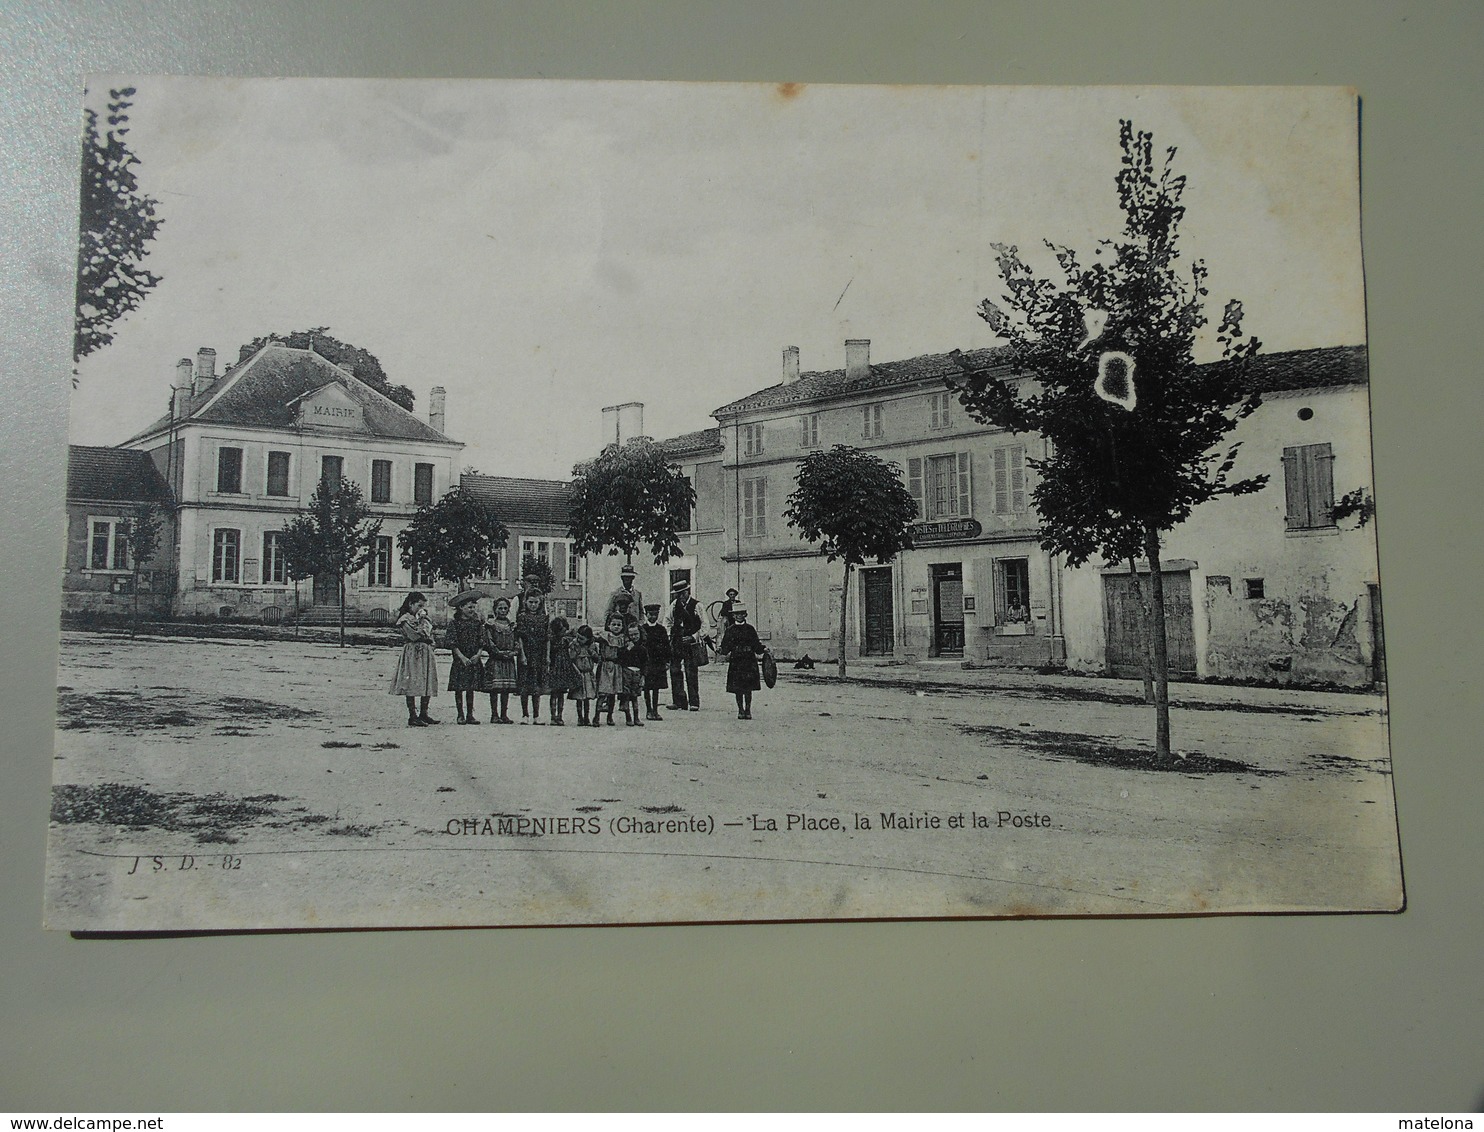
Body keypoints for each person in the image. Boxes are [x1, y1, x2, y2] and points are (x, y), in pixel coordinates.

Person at [388, 591, 439, 726]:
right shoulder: (405, 619)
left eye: (423, 607)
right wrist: (425, 633)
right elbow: (414, 636)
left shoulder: (424, 620)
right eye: (418, 606)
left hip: (425, 652)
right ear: (411, 604)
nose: (421, 609)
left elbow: (430, 634)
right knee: (411, 681)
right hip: (412, 652)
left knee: (426, 679)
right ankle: (412, 715)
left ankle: (424, 713)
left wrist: (430, 639)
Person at [719, 600, 764, 720]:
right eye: (737, 614)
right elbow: (725, 647)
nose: (739, 616)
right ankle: (740, 709)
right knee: (738, 687)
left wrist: (763, 649)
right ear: (733, 615)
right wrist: (721, 650)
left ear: (745, 614)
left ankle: (748, 710)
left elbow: (756, 645)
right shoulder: (730, 630)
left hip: (749, 659)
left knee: (748, 687)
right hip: (736, 660)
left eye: (742, 613)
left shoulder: (750, 629)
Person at [445, 591, 485, 724]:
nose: (472, 610)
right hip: (460, 660)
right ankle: (460, 714)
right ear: (461, 608)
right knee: (459, 687)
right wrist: (461, 657)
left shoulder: (477, 623)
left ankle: (469, 714)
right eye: (469, 607)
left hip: (473, 660)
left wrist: (478, 655)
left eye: (473, 607)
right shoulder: (454, 624)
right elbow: (452, 643)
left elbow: (482, 641)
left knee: (470, 688)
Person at [480, 597, 518, 723]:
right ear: (495, 609)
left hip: (508, 660)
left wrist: (513, 652)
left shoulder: (512, 626)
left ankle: (504, 714)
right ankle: (494, 714)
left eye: (505, 608)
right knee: (495, 688)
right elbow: (489, 642)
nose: (503, 611)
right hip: (496, 659)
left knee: (506, 688)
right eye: (500, 608)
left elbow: (517, 641)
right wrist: (498, 652)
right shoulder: (490, 625)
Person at [668, 579, 703, 711]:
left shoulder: (697, 605)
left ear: (688, 591)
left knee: (691, 671)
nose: (681, 596)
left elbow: (704, 625)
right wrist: (670, 636)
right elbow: (667, 621)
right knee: (675, 670)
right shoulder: (674, 605)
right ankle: (678, 701)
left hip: (690, 643)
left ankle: (694, 702)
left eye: (683, 593)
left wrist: (693, 637)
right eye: (678, 594)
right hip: (677, 642)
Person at [515, 592, 550, 723]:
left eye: (536, 602)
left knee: (536, 685)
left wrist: (547, 656)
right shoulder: (522, 617)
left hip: (539, 654)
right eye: (531, 602)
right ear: (526, 602)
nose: (533, 605)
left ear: (540, 603)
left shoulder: (544, 618)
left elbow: (547, 638)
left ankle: (536, 715)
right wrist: (522, 655)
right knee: (525, 685)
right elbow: (520, 637)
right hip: (526, 655)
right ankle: (525, 715)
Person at [639, 603, 671, 721]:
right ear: (646, 615)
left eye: (655, 614)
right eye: (651, 614)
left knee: (656, 687)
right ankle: (648, 710)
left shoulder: (661, 629)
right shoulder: (642, 629)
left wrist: (667, 661)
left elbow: (667, 646)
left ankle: (655, 710)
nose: (653, 617)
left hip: (658, 662)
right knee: (647, 687)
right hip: (647, 662)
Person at [546, 615, 579, 726]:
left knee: (560, 694)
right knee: (554, 693)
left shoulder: (566, 640)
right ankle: (553, 716)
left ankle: (559, 715)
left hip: (564, 668)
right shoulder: (552, 640)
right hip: (556, 667)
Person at [595, 612, 627, 726]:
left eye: (619, 625)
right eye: (614, 624)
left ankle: (609, 716)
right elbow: (594, 639)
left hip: (617, 667)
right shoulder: (605, 637)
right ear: (609, 625)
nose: (616, 627)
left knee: (613, 693)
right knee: (603, 692)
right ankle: (596, 716)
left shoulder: (623, 639)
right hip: (605, 667)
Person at [618, 620, 647, 727]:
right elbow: (620, 659)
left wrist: (643, 676)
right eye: (631, 635)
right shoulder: (625, 647)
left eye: (636, 634)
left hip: (637, 674)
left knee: (635, 697)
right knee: (626, 696)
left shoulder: (643, 648)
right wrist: (627, 650)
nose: (634, 637)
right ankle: (628, 718)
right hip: (627, 673)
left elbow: (645, 663)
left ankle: (636, 718)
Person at [570, 624, 599, 727]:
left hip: (588, 674)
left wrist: (592, 653)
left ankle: (586, 717)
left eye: (581, 638)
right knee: (579, 698)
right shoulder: (574, 645)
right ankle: (580, 717)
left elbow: (597, 659)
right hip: (578, 673)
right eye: (578, 637)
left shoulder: (592, 646)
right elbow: (571, 659)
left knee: (587, 698)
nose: (579, 640)